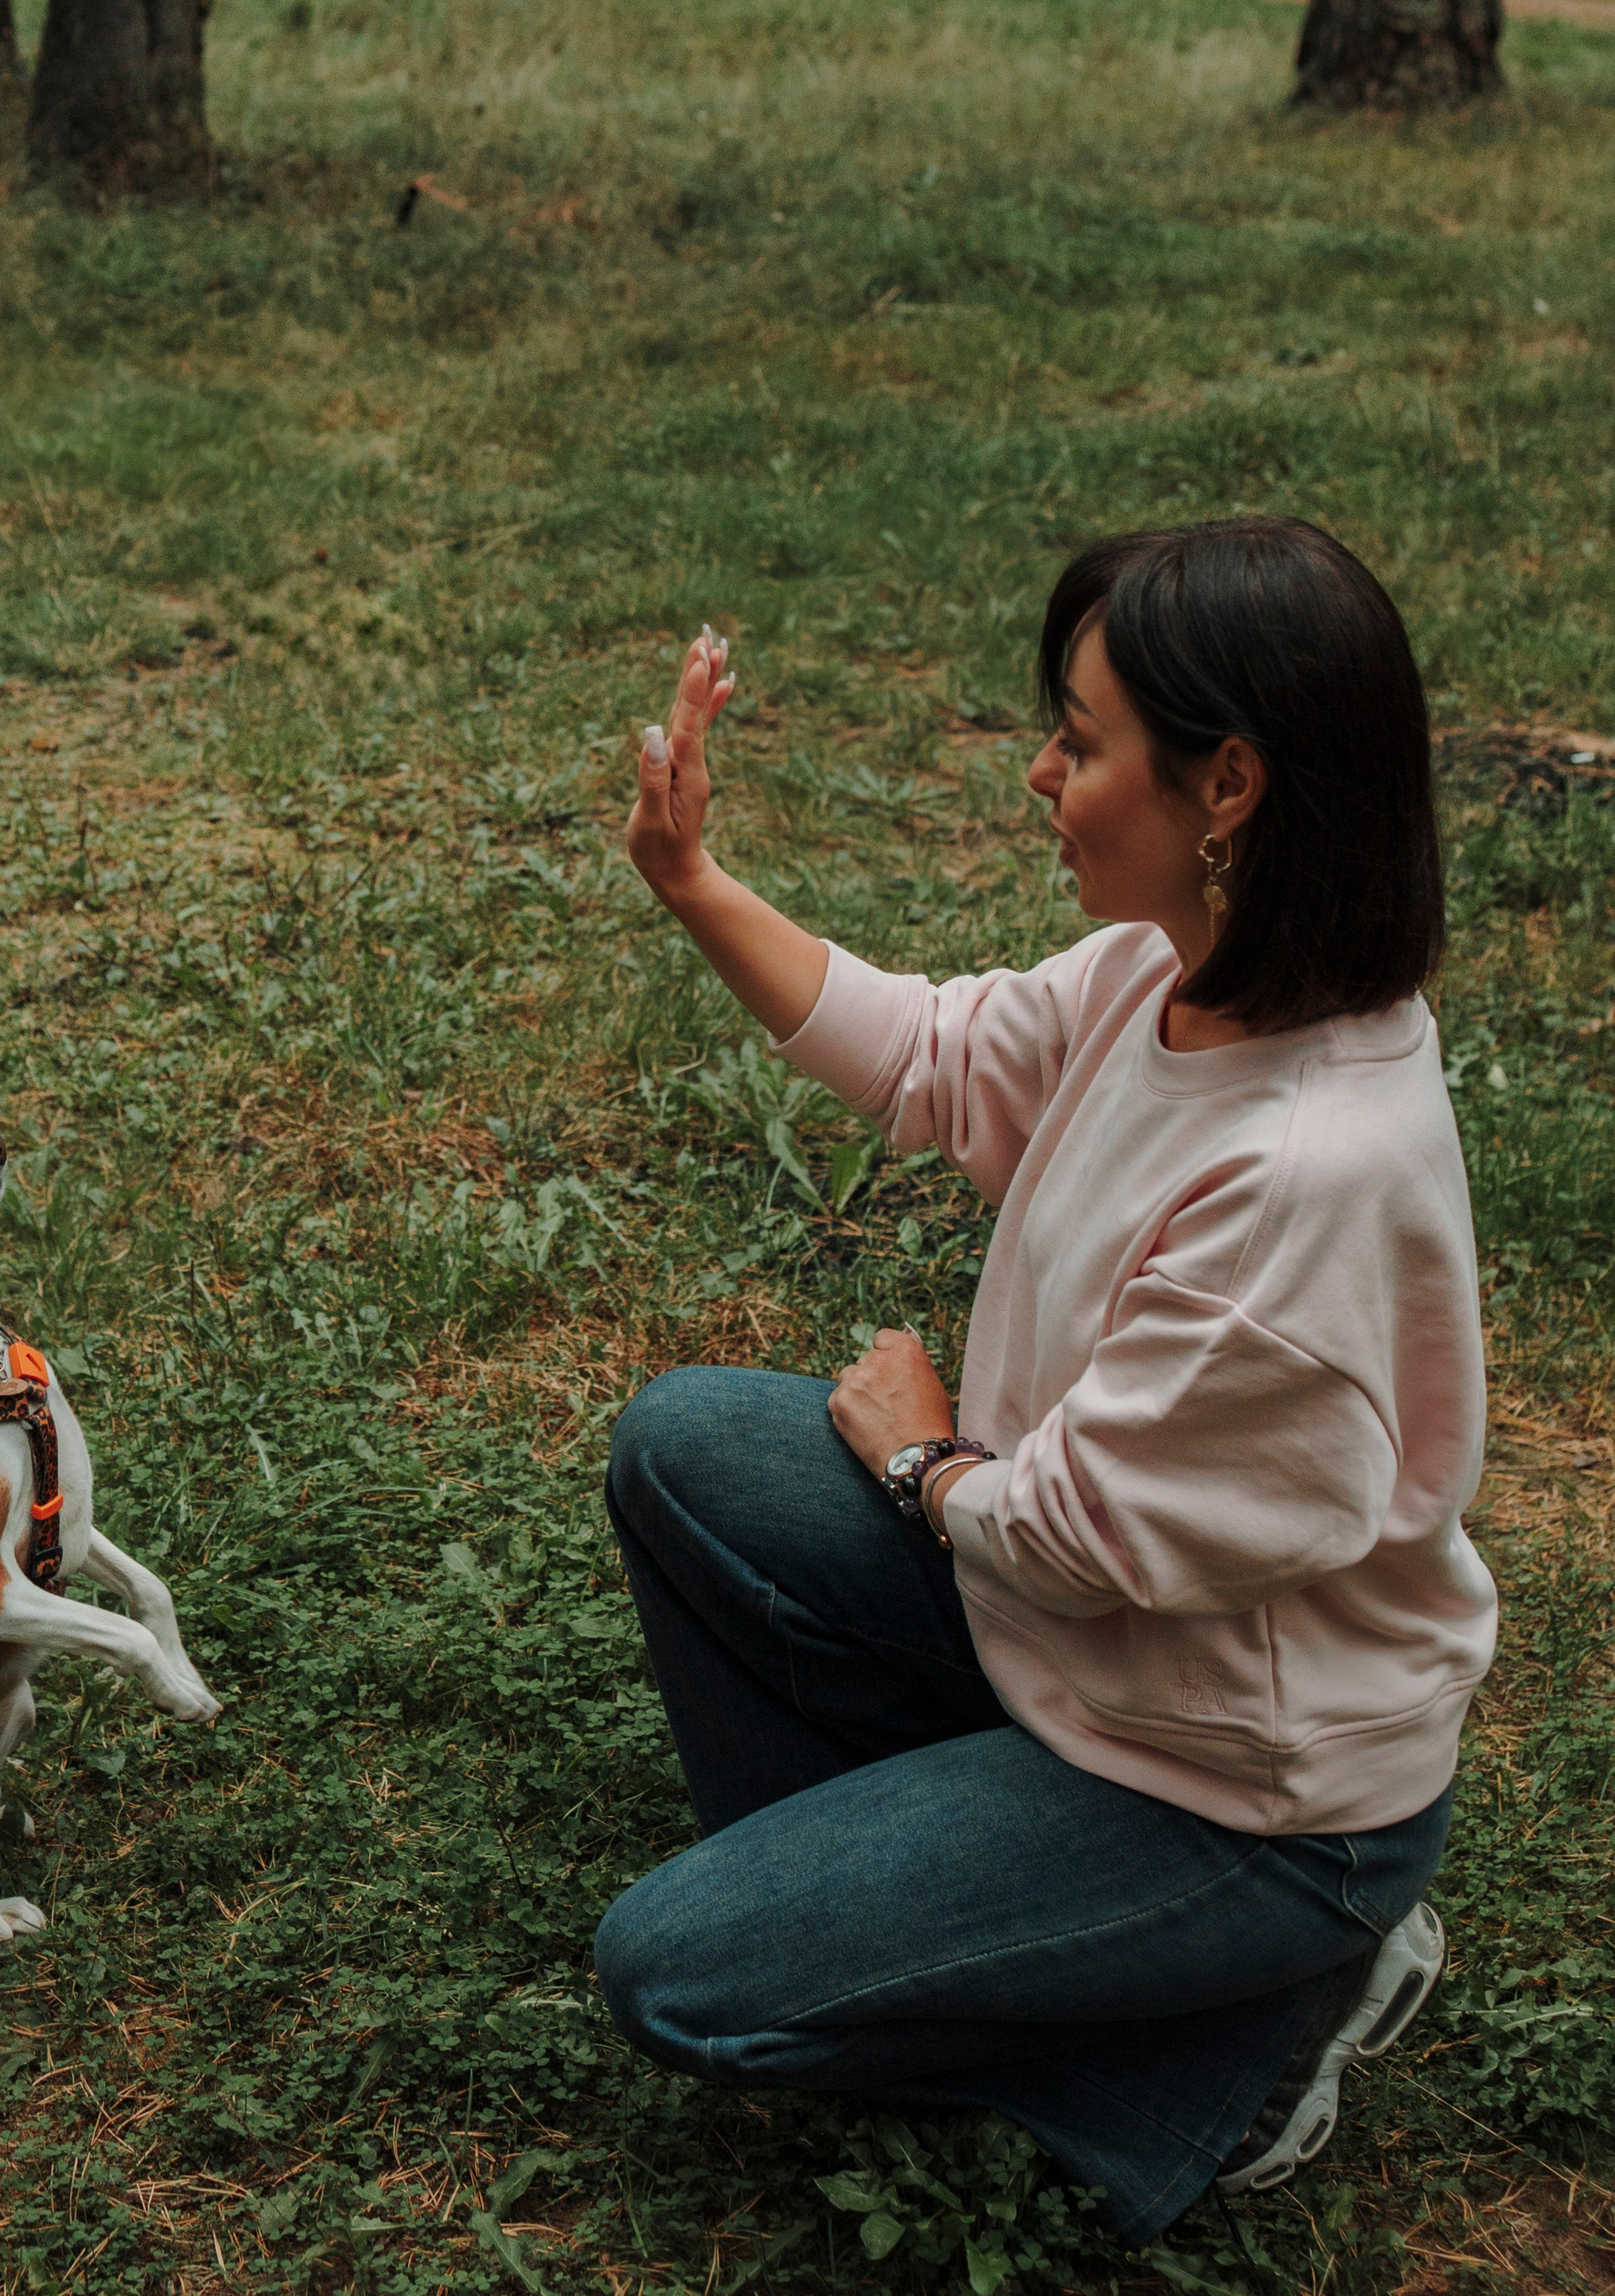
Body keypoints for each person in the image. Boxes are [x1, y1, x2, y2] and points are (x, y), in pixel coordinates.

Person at [596, 518, 1494, 2246]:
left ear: (1223, 783)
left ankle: (1242, 2032)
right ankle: (973, 1906)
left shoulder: (1300, 1172)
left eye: (1078, 743)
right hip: (1094, 1650)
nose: (1037, 774)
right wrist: (695, 886)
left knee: (676, 1978)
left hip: (1245, 1798)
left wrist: (922, 1461)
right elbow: (938, 1055)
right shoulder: (1172, 974)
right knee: (682, 1446)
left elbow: (1076, 1537)